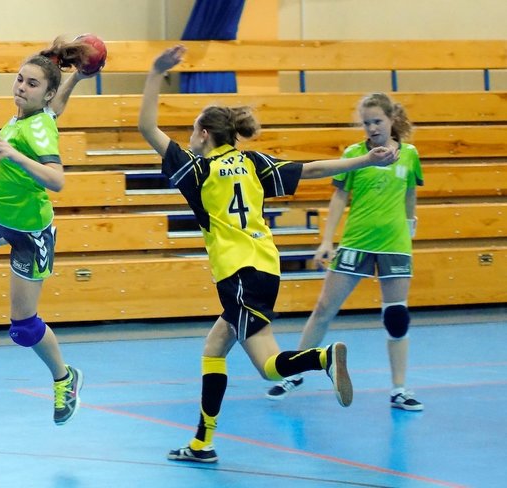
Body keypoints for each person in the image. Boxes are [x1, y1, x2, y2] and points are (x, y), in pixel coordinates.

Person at [138, 45, 399, 463]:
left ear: (204, 134)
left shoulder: (199, 170)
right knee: (215, 348)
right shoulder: (253, 162)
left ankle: (321, 358)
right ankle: (202, 443)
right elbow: (311, 170)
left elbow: (147, 127)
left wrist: (155, 72)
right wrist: (365, 160)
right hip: (265, 268)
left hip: (237, 273)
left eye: (192, 130)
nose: (189, 137)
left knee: (267, 366)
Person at [0, 36, 98, 425]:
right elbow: (54, 110)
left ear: (45, 92)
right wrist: (76, 79)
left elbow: (57, 180)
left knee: (23, 329)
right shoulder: (31, 114)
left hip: (28, 233)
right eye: (20, 79)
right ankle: (3, 240)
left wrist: (13, 155)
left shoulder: (37, 130)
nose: (21, 88)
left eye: (31, 84)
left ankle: (64, 378)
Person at [266, 92, 424, 412]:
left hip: (394, 244)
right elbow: (339, 198)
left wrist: (410, 226)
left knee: (396, 317)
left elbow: (410, 193)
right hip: (356, 242)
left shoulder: (409, 155)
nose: (372, 128)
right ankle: (294, 371)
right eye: (366, 123)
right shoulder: (354, 154)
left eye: (377, 121)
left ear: (392, 119)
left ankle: (399, 389)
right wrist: (327, 240)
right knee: (324, 308)